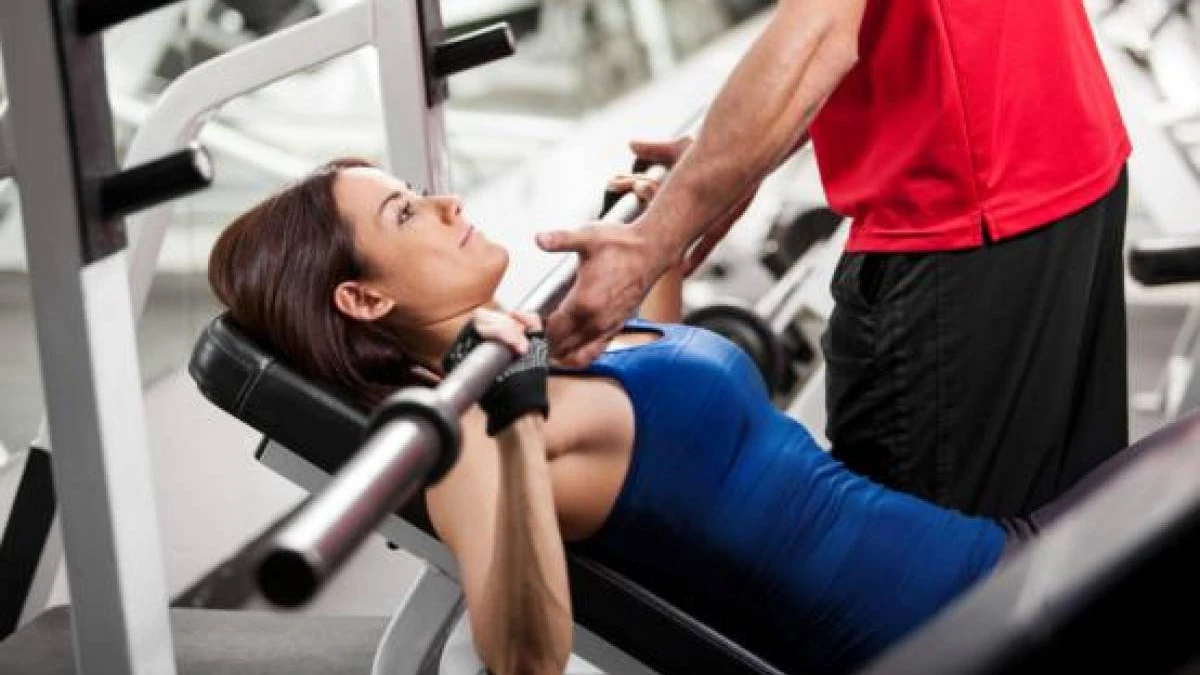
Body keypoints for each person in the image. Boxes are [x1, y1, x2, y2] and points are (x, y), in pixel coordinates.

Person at [207, 160, 1137, 675]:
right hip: (964, 628)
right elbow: (524, 660)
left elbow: (674, 438)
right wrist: (516, 410)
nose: (446, 203)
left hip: (1003, 556)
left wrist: (652, 240)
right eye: (407, 212)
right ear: (364, 298)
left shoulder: (537, 347)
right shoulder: (477, 427)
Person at [535, 0, 1132, 518]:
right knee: (1059, 531)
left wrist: (651, 243)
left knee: (934, 576)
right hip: (1062, 157)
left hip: (969, 218)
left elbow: (820, 33)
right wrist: (727, 161)